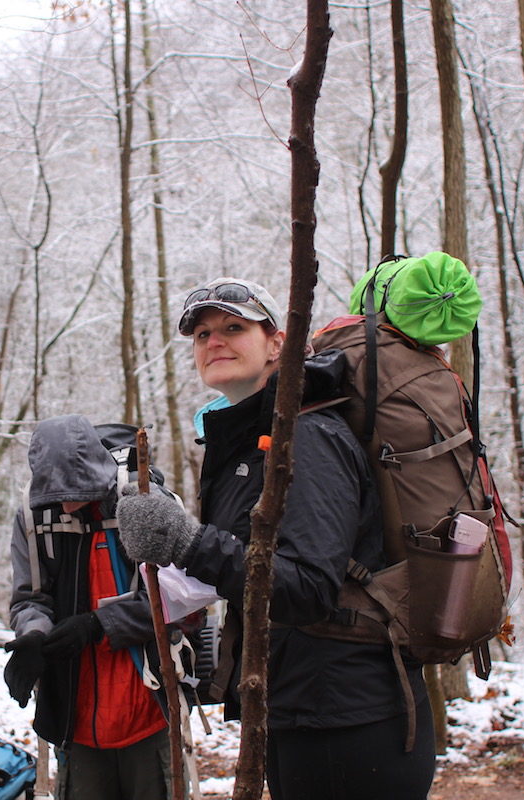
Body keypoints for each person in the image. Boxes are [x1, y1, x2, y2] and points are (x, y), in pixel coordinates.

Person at [116, 278, 436, 799]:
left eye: (233, 327)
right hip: (302, 709)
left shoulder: (307, 438)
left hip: (349, 721)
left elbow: (307, 588)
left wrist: (187, 543)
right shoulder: (247, 441)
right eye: (201, 334)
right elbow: (245, 566)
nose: (213, 341)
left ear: (277, 344)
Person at [4, 414, 174, 800]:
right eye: (56, 494)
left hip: (147, 709)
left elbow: (181, 600)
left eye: (76, 491)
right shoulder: (34, 518)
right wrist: (33, 636)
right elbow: (30, 598)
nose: (66, 502)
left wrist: (97, 624)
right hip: (74, 717)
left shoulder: (143, 501)